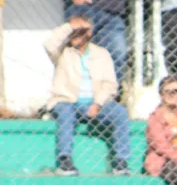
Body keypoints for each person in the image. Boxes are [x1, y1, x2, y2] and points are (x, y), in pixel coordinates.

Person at [45, 15, 131, 176]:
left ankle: (121, 161)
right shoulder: (63, 52)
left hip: (95, 102)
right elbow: (49, 44)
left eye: (80, 32)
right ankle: (65, 160)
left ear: (89, 33)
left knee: (120, 113)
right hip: (68, 101)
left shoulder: (101, 54)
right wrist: (69, 26)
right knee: (65, 113)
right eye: (73, 32)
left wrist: (98, 103)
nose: (75, 36)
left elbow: (110, 83)